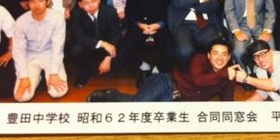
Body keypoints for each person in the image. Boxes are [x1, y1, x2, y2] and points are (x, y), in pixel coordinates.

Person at [88, 39, 237, 102]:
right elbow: (198, 81)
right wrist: (224, 73)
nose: (219, 58)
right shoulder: (200, 59)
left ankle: (118, 94)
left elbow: (228, 103)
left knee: (146, 113)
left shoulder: (230, 76)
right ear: (209, 55)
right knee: (138, 107)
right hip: (166, 83)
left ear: (229, 56)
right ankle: (112, 95)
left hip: (177, 102)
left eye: (224, 54)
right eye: (215, 54)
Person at [120, 0, 173, 77]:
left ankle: (157, 70)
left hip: (161, 24)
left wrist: (159, 24)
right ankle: (143, 66)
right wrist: (139, 24)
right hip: (140, 25)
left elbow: (170, 7)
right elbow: (130, 8)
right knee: (122, 53)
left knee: (172, 53)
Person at [12, 0, 68, 102]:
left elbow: (58, 48)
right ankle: (36, 77)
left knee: (57, 92)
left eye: (41, 1)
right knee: (21, 97)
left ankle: (46, 75)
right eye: (32, 1)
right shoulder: (21, 21)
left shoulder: (57, 18)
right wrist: (23, 76)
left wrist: (54, 73)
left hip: (50, 54)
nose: (36, 5)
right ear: (28, 3)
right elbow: (18, 51)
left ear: (48, 2)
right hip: (30, 56)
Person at [224, 0, 275, 66]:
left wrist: (267, 30)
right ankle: (244, 72)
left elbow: (270, 10)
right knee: (238, 52)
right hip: (240, 24)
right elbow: (229, 10)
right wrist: (237, 31)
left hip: (259, 24)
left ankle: (267, 74)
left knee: (270, 49)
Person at [69, 0, 122, 88]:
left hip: (108, 47)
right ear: (80, 4)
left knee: (123, 49)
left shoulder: (110, 11)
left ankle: (109, 64)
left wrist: (108, 57)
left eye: (93, 1)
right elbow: (79, 37)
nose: (91, 5)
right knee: (76, 50)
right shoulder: (76, 14)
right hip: (89, 46)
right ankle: (85, 71)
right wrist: (103, 43)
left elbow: (116, 35)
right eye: (86, 3)